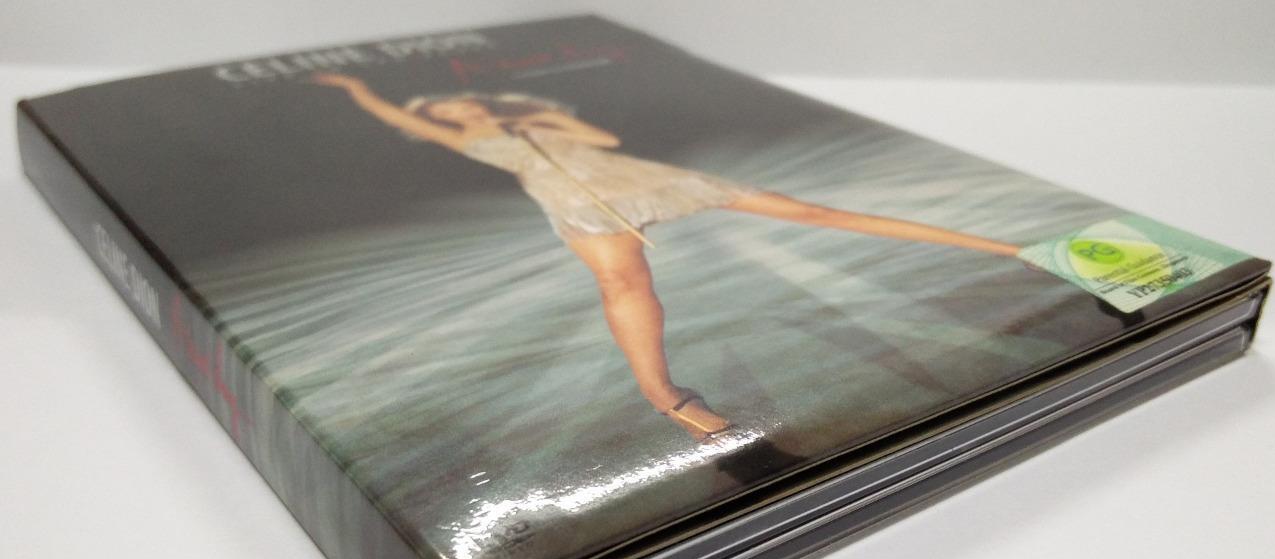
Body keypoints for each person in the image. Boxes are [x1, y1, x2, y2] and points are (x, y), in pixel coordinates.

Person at [312, 73, 1020, 442]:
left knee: (810, 211)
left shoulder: (526, 118)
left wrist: (538, 118)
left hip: (637, 176)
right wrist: (354, 91)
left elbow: (604, 139)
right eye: (445, 114)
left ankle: (1009, 246)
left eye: (460, 104)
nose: (456, 112)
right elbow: (394, 116)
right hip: (576, 199)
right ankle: (667, 398)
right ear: (440, 122)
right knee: (622, 282)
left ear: (476, 100)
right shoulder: (463, 139)